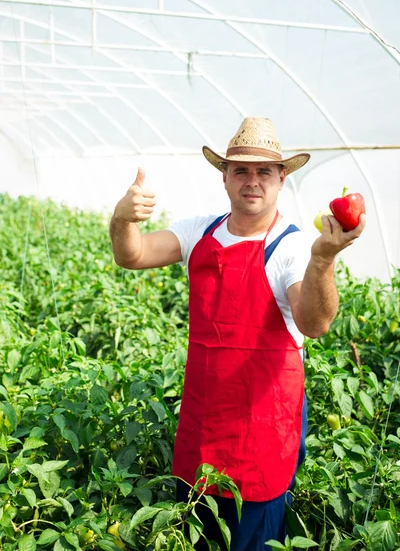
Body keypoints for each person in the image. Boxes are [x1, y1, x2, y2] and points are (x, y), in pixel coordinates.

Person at [109, 117, 366, 551]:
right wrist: (121, 218)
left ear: (281, 178)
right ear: (224, 176)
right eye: (241, 170)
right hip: (202, 420)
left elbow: (314, 324)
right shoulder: (199, 231)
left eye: (264, 171)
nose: (252, 181)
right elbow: (132, 255)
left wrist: (322, 261)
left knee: (251, 538)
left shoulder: (291, 245)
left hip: (263, 430)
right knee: (194, 535)